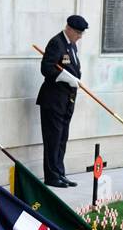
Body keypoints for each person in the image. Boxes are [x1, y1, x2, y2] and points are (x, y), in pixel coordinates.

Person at [36, 15, 87, 187]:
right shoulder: (56, 43)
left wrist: (74, 79)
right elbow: (47, 67)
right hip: (53, 100)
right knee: (53, 139)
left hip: (67, 100)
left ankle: (59, 172)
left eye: (82, 33)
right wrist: (65, 77)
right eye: (78, 33)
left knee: (62, 138)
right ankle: (51, 176)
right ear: (69, 29)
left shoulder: (71, 45)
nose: (80, 36)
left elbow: (72, 67)